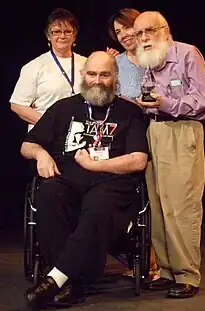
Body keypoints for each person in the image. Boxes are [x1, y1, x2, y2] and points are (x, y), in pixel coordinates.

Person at [20, 51, 149, 309]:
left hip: (112, 181)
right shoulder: (63, 108)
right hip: (67, 179)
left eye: (105, 74)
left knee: (99, 206)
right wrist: (41, 154)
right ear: (83, 75)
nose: (97, 80)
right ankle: (71, 284)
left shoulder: (130, 112)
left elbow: (138, 160)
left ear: (115, 77)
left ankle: (56, 278)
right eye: (92, 73)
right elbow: (27, 145)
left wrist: (97, 165)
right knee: (48, 194)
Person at [134, 11, 205, 298]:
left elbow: (204, 99)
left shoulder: (187, 54)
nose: (143, 38)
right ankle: (167, 271)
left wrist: (165, 102)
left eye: (148, 31)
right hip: (154, 131)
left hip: (182, 131)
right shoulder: (149, 61)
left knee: (181, 205)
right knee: (157, 204)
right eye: (139, 33)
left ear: (164, 30)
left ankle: (187, 274)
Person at [108, 7, 160, 281]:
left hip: (161, 130)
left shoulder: (158, 56)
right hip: (131, 136)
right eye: (118, 31)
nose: (123, 35)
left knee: (159, 197)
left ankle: (161, 262)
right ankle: (143, 259)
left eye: (126, 27)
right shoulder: (118, 63)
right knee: (135, 196)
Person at [10, 8, 86, 131]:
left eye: (67, 31)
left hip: (80, 134)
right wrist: (50, 124)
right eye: (56, 31)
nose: (62, 36)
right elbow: (17, 105)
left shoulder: (87, 63)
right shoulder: (34, 66)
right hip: (46, 135)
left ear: (74, 36)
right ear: (48, 36)